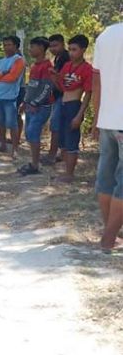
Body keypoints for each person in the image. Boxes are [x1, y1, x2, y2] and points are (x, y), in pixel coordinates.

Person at [92, 22, 123, 251]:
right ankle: (109, 239)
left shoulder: (106, 35)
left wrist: (96, 119)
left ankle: (109, 233)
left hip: (108, 120)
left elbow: (96, 82)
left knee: (106, 178)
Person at [53, 34, 93, 183]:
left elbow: (88, 94)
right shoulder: (67, 66)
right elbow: (61, 86)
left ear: (83, 50)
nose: (71, 53)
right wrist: (55, 78)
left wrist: (79, 115)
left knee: (71, 140)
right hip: (63, 103)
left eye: (74, 49)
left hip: (74, 105)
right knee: (62, 139)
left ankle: (70, 173)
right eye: (69, 49)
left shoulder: (87, 69)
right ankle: (64, 171)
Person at [18, 37, 54, 175]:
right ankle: (33, 162)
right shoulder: (34, 66)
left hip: (41, 107)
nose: (30, 49)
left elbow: (46, 88)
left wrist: (35, 103)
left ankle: (35, 165)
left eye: (32, 47)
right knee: (29, 134)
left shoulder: (46, 66)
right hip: (31, 106)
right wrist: (25, 102)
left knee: (33, 132)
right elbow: (31, 87)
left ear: (41, 48)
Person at [0, 36, 26, 157]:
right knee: (0, 122)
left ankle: (15, 149)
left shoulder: (19, 60)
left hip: (10, 97)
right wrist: (3, 74)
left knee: (12, 123)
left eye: (9, 45)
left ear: (16, 46)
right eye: (5, 45)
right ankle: (3, 145)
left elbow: (13, 77)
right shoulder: (0, 62)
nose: (6, 47)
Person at [43, 34, 70, 165]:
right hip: (58, 95)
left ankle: (52, 154)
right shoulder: (58, 58)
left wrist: (54, 75)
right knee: (59, 125)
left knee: (56, 125)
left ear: (62, 44)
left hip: (64, 95)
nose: (53, 49)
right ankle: (60, 152)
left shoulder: (65, 57)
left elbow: (62, 78)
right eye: (51, 46)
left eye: (55, 45)